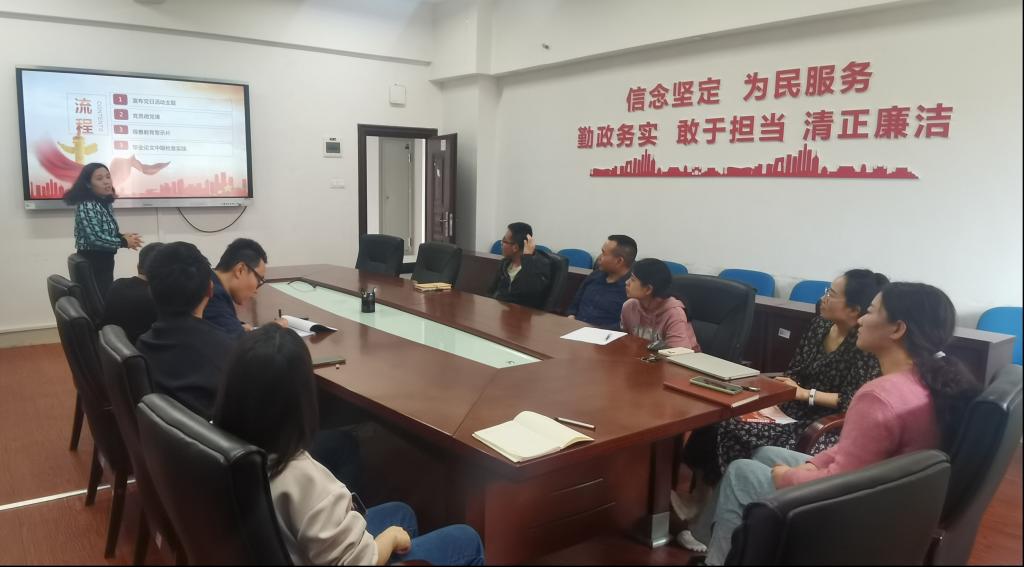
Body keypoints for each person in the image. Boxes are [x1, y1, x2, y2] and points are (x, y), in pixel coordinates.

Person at [689, 282, 981, 564]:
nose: (862, 320)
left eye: (871, 311)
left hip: (860, 513)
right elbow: (855, 452)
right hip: (893, 497)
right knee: (765, 454)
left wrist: (788, 478)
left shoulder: (880, 396)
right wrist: (814, 464)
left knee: (741, 473)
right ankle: (728, 545)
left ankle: (718, 558)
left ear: (897, 329)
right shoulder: (930, 380)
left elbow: (843, 485)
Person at [213, 324, 485, 565]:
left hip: (275, 548)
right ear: (300, 400)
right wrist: (389, 539)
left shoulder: (215, 443)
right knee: (466, 539)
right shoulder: (302, 479)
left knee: (401, 514)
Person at [674, 269, 889, 540]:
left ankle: (719, 515)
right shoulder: (820, 325)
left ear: (853, 309)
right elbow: (795, 370)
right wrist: (782, 388)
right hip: (791, 404)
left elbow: (850, 400)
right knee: (718, 417)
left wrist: (804, 394)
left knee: (736, 430)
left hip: (825, 421)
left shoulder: (865, 343)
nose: (823, 298)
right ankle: (703, 500)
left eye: (832, 294)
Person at [136, 242, 235, 420]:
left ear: (151, 291)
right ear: (210, 289)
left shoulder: (143, 343)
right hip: (211, 436)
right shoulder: (224, 349)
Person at [63, 163, 143, 297]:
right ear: (88, 184)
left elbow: (106, 230)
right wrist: (123, 242)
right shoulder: (87, 204)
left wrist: (122, 236)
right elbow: (95, 238)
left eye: (108, 177)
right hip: (93, 261)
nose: (106, 181)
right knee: (99, 300)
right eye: (99, 179)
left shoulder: (103, 202)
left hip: (105, 260)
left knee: (105, 296)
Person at [204, 238, 286, 336]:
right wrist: (273, 329)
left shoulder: (211, 282)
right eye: (259, 280)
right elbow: (238, 342)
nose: (256, 291)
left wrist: (238, 326)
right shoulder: (212, 294)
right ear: (240, 270)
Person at [620, 258, 699, 350]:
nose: (627, 282)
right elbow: (626, 342)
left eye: (633, 280)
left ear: (648, 289)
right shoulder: (629, 307)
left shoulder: (674, 314)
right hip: (644, 356)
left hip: (681, 358)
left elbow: (679, 354)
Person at [566, 235, 637, 330]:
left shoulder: (632, 288)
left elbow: (625, 325)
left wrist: (595, 331)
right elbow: (575, 304)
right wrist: (571, 316)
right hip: (574, 329)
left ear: (619, 261)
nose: (599, 257)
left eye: (603, 253)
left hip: (605, 336)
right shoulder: (595, 275)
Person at [100, 242, 164, 343]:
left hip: (113, 347)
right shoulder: (157, 299)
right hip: (142, 350)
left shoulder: (117, 284)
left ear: (138, 265)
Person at [488, 222, 552, 309]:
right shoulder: (505, 263)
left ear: (515, 247)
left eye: (504, 241)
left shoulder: (540, 265)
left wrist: (527, 257)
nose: (501, 243)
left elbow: (531, 293)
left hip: (524, 314)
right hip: (503, 310)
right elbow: (491, 291)